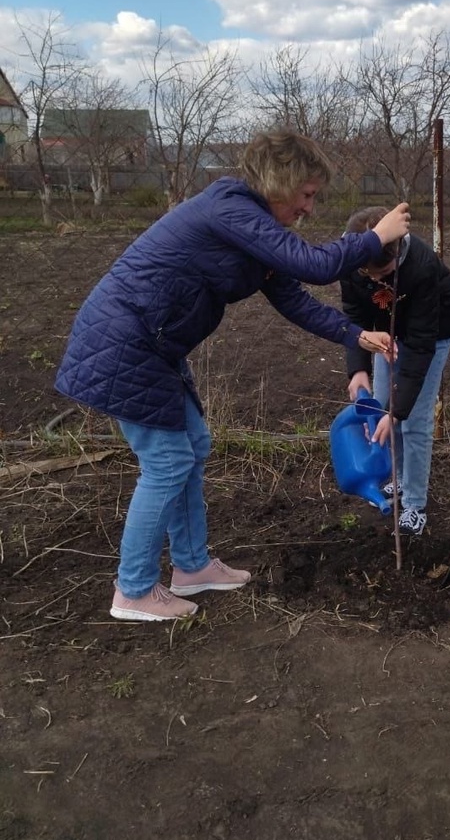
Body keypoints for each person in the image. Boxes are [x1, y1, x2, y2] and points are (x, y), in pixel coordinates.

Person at [55, 131, 410, 622]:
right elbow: (315, 265)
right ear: (280, 183)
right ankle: (133, 590)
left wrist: (355, 334)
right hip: (125, 344)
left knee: (192, 447)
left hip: (153, 346)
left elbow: (294, 298)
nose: (309, 208)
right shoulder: (231, 208)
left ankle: (192, 567)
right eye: (306, 195)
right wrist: (375, 236)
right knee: (166, 462)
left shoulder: (253, 228)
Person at [340, 207, 450, 537]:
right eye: (369, 275)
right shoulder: (351, 260)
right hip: (385, 333)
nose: (376, 280)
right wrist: (357, 370)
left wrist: (399, 410)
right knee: (381, 407)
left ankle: (415, 504)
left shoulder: (421, 268)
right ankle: (399, 477)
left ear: (399, 250)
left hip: (430, 336)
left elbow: (421, 347)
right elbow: (354, 318)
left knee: (411, 419)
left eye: (384, 273)